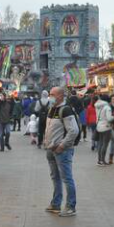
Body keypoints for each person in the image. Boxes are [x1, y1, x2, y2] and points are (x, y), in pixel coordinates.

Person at [44, 87, 80, 217]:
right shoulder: (52, 109)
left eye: (52, 94)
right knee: (55, 178)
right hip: (51, 149)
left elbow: (73, 131)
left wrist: (62, 146)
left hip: (62, 151)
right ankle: (55, 204)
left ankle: (71, 206)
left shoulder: (66, 110)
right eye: (49, 94)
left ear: (60, 96)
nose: (50, 96)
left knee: (67, 178)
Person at [95, 95, 114, 166]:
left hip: (99, 126)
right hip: (106, 127)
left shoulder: (98, 106)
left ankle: (99, 160)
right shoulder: (107, 107)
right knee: (105, 145)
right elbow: (109, 118)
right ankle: (102, 160)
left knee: (100, 144)